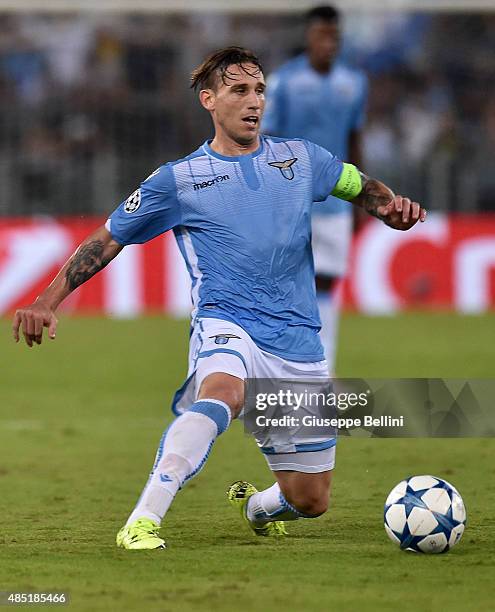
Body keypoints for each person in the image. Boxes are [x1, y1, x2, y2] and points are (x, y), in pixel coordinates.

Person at [12, 47, 426, 550]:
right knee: (222, 392)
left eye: (259, 90)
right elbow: (107, 238)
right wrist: (47, 299)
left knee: (311, 499)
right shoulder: (178, 181)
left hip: (297, 340)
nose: (254, 102)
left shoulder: (302, 159)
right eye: (239, 90)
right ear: (209, 100)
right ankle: (143, 520)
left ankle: (254, 506)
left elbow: (358, 185)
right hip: (227, 323)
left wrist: (390, 208)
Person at [262, 6, 368, 373]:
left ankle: (323, 368)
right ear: (308, 36)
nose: (328, 43)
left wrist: (360, 200)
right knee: (288, 282)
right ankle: (283, 364)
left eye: (334, 36)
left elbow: (355, 140)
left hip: (337, 202)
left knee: (327, 282)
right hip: (290, 200)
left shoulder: (354, 82)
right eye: (322, 35)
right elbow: (266, 139)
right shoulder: (284, 82)